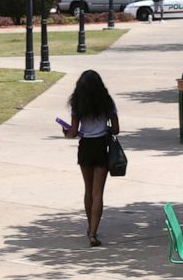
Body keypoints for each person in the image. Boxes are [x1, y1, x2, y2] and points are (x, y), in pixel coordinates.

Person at [61, 70, 119, 248]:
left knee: (88, 189)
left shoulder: (78, 104)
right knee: (98, 192)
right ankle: (93, 232)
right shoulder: (107, 102)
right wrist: (107, 129)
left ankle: (89, 227)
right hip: (101, 146)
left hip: (85, 146)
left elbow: (72, 132)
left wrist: (66, 132)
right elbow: (116, 128)